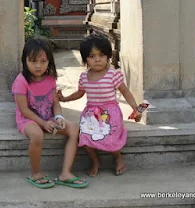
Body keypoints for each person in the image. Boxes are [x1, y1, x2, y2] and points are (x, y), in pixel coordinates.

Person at [58, 34, 144, 177]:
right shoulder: (84, 77)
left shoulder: (113, 75)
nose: (97, 59)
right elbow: (80, 93)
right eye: (92, 56)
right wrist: (64, 99)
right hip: (91, 115)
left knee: (110, 138)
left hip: (111, 113)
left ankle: (118, 157)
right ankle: (95, 160)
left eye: (101, 55)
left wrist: (135, 108)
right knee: (83, 137)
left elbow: (125, 92)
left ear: (108, 57)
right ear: (85, 59)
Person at [12, 37, 88, 189]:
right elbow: (24, 110)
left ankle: (65, 173)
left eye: (43, 61)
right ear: (25, 60)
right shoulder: (21, 81)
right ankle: (35, 173)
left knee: (74, 129)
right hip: (28, 120)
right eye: (33, 61)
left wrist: (58, 117)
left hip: (49, 118)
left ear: (49, 61)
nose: (38, 66)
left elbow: (55, 103)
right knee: (37, 135)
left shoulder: (50, 79)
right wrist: (43, 123)